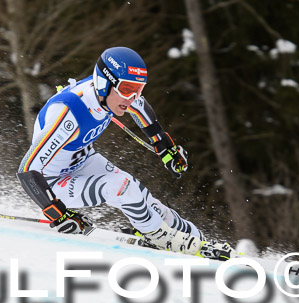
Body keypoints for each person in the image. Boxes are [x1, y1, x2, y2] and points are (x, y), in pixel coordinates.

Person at [17, 46, 233, 260]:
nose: (132, 97)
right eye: (128, 89)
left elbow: (140, 107)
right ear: (104, 83)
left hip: (82, 160)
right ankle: (158, 236)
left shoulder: (112, 94)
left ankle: (200, 241)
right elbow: (27, 169)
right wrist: (57, 212)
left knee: (149, 202)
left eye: (139, 89)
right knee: (122, 188)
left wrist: (164, 145)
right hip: (53, 182)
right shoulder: (67, 113)